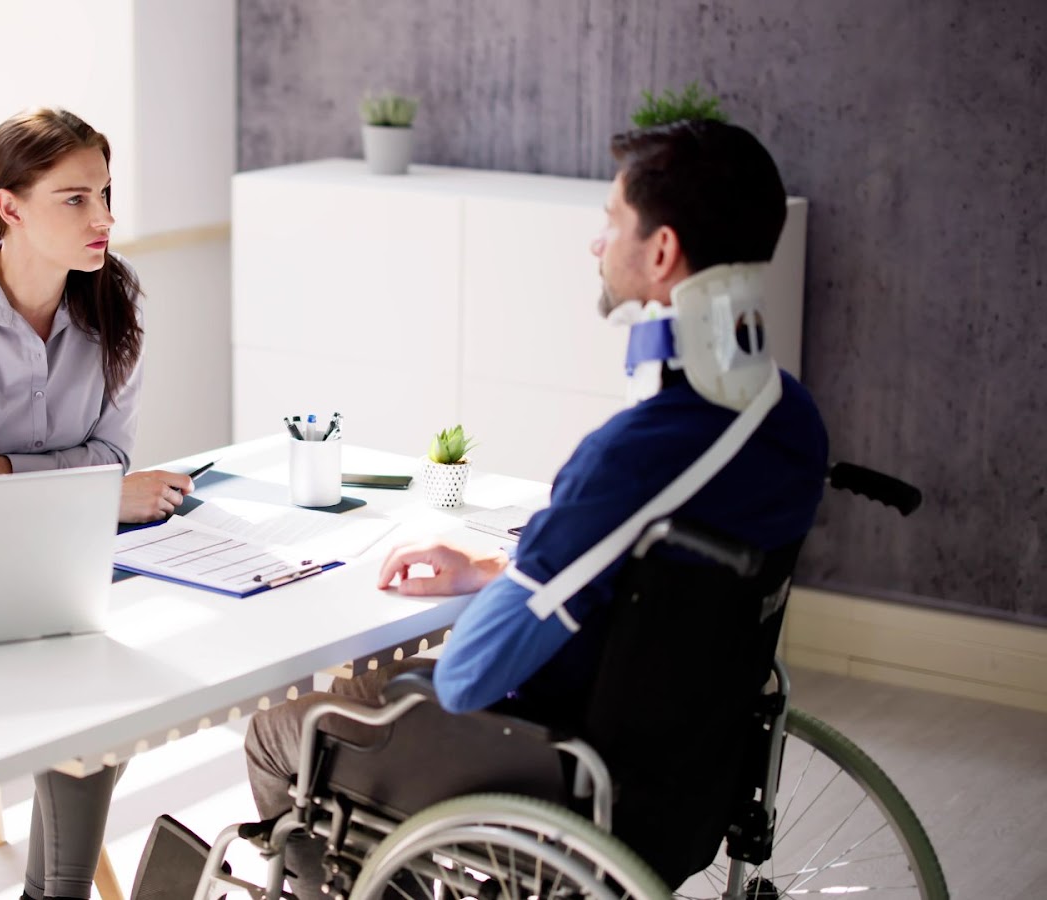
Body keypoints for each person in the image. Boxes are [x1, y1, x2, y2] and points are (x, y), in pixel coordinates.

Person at [243, 119, 830, 889]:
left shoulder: (633, 452)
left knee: (283, 729)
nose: (596, 245)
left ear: (661, 253)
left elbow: (466, 681)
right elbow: (649, 584)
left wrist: (521, 591)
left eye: (611, 222)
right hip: (686, 768)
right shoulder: (792, 422)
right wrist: (500, 568)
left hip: (558, 764)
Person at [0, 107, 188, 900]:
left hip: (60, 559)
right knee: (93, 675)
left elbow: (115, 459)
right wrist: (94, 494)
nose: (105, 218)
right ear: (9, 207)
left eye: (108, 195)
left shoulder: (117, 301)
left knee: (143, 651)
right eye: (76, 199)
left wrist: (2, 464)